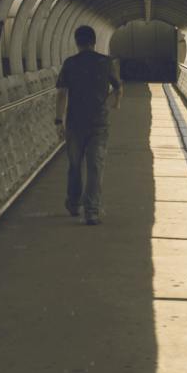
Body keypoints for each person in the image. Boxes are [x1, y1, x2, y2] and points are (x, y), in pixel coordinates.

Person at [54, 24, 121, 224]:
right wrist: (116, 103)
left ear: (77, 42)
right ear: (94, 42)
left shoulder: (70, 64)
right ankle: (91, 211)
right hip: (99, 122)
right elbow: (118, 87)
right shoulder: (106, 62)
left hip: (75, 123)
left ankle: (73, 204)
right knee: (95, 166)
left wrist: (59, 120)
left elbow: (61, 94)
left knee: (75, 165)